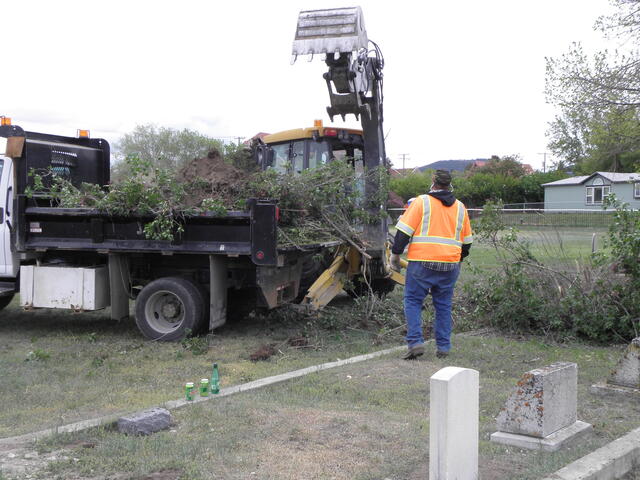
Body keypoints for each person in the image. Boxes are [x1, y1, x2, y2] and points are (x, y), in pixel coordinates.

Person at [390, 170, 473, 360]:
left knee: (412, 301)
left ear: (433, 183)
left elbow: (403, 233)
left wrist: (395, 256)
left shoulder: (421, 202)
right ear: (449, 184)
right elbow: (467, 243)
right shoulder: (461, 208)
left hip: (422, 263)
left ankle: (415, 343)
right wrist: (456, 260)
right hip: (450, 266)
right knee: (443, 305)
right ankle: (443, 347)